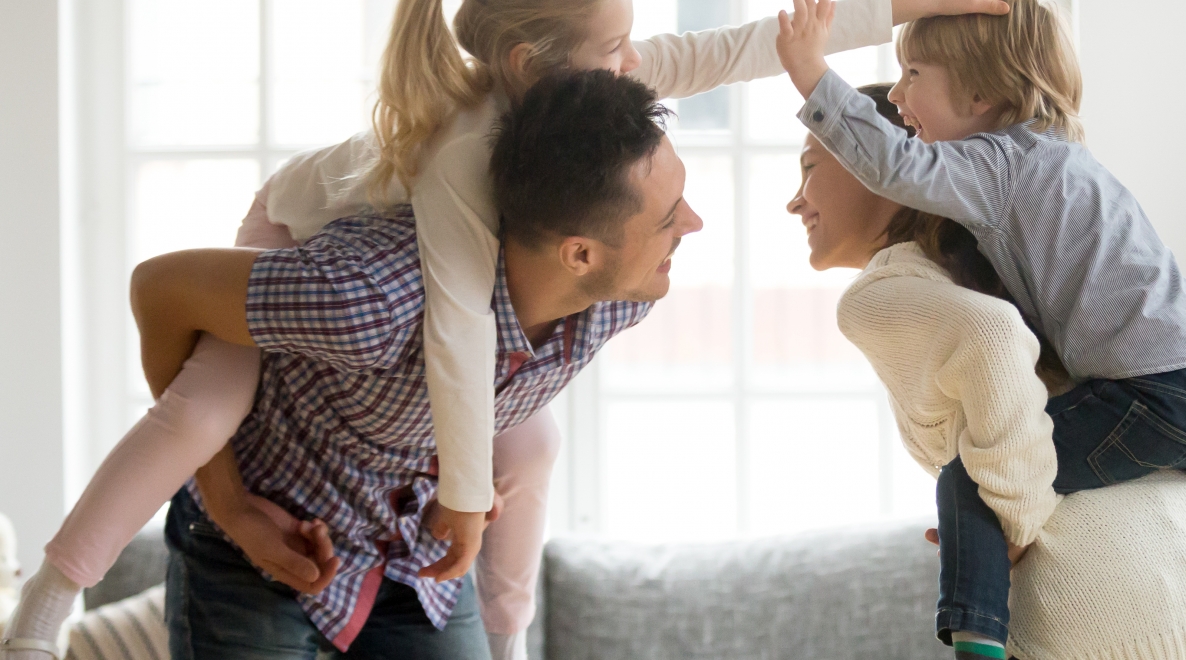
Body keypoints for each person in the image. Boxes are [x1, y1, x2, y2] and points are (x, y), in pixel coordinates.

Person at [2, 0, 1005, 658]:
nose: (635, 61)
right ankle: (52, 595)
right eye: (614, 45)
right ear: (532, 63)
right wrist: (465, 506)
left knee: (534, 435)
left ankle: (506, 631)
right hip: (293, 234)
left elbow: (730, 49)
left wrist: (904, 11)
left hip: (399, 522)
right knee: (202, 412)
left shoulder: (588, 129)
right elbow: (452, 335)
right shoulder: (453, 172)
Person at [776, 1, 1186, 657]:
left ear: (982, 93)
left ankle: (976, 643)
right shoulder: (1063, 164)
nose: (897, 97)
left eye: (913, 73)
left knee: (967, 478)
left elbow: (897, 170)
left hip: (1116, 569)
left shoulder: (990, 173)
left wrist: (1013, 508)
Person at [173, 70, 681, 659]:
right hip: (257, 544)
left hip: (414, 559)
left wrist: (445, 471)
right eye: (669, 219)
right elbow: (160, 292)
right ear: (581, 254)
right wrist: (229, 505)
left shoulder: (620, 300)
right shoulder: (368, 300)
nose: (692, 225)